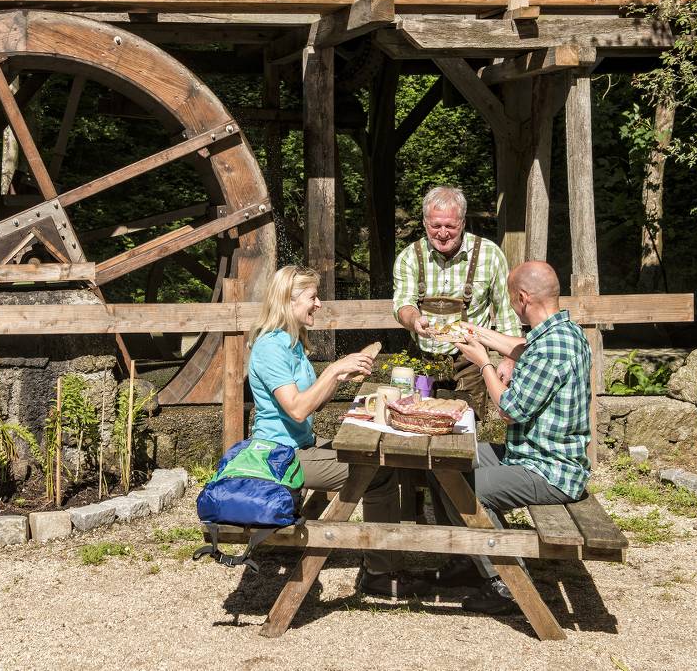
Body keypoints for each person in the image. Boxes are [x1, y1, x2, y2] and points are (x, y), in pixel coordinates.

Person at [423, 261, 592, 614]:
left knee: (464, 486)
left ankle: (506, 585)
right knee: (443, 461)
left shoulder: (551, 348)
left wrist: (482, 362)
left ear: (523, 298)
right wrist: (478, 334)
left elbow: (509, 409)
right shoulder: (562, 332)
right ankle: (468, 560)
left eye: (513, 301)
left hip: (549, 469)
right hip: (530, 452)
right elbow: (521, 347)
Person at [248, 265, 424, 598]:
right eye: (312, 298)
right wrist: (332, 370)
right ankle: (382, 573)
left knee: (377, 457)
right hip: (278, 455)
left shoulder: (292, 341)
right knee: (379, 472)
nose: (317, 305)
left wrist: (340, 376)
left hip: (300, 444)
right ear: (288, 300)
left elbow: (310, 399)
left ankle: (382, 562)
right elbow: (298, 408)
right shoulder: (271, 348)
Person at [393, 186, 522, 418]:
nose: (442, 233)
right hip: (423, 360)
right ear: (424, 222)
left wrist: (509, 359)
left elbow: (506, 312)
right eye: (436, 226)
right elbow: (403, 305)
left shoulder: (489, 255)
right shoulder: (409, 257)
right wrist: (414, 321)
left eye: (450, 226)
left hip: (470, 363)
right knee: (416, 427)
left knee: (464, 436)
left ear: (462, 222)